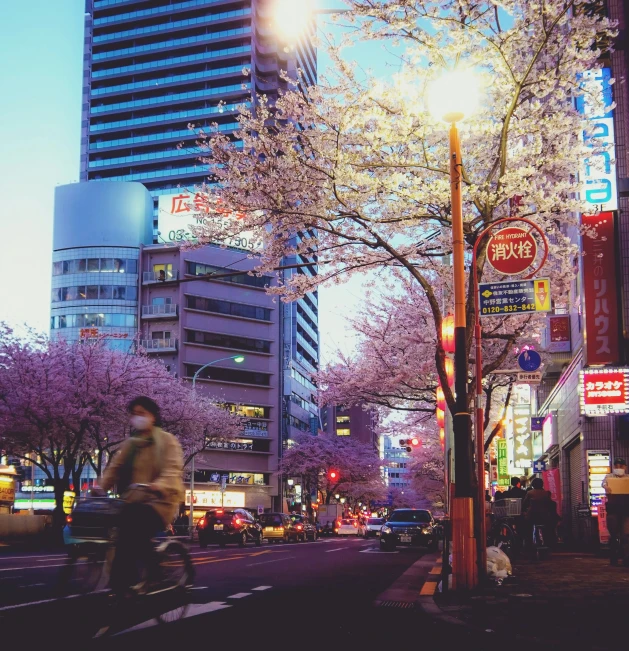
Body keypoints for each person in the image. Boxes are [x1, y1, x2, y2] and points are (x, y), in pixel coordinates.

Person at [98, 396, 184, 594]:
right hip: (134, 500)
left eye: (142, 413)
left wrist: (158, 485)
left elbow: (172, 469)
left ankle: (144, 575)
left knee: (134, 524)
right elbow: (115, 468)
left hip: (161, 502)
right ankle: (122, 582)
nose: (138, 418)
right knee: (119, 530)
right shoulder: (131, 444)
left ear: (153, 416)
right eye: (134, 414)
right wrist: (100, 487)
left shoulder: (167, 441)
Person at [603, 458, 629, 566]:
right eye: (616, 466)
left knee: (626, 536)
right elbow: (604, 484)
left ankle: (626, 559)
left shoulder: (628, 478)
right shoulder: (609, 477)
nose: (619, 468)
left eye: (621, 466)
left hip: (626, 511)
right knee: (613, 535)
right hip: (613, 511)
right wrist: (606, 487)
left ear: (625, 467)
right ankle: (613, 558)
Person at [522, 477, 557, 550]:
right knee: (546, 528)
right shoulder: (546, 493)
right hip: (544, 516)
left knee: (528, 528)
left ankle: (528, 544)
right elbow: (549, 504)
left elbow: (524, 503)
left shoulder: (530, 493)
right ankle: (547, 543)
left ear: (533, 484)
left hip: (532, 515)